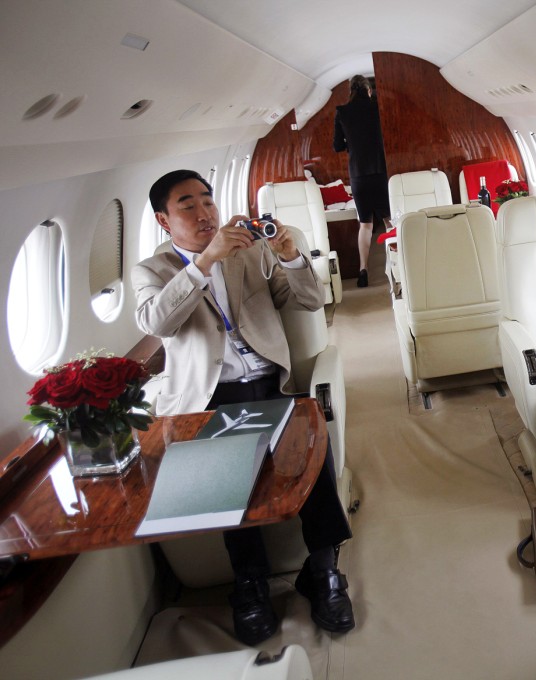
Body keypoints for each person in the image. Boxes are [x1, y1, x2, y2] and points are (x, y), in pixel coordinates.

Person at [133, 170, 355, 645]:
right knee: (223, 472)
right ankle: (250, 583)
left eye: (207, 200)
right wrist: (203, 264)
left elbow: (312, 299)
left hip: (270, 383)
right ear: (162, 220)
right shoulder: (152, 272)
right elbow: (159, 322)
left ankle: (322, 569)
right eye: (187, 205)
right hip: (208, 398)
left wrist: (291, 257)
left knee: (313, 451)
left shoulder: (249, 253)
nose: (204, 212)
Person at [334, 74, 390, 288]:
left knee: (365, 225)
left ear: (351, 92)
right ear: (368, 91)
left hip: (358, 174)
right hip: (380, 171)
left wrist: (352, 142)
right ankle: (398, 263)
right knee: (387, 221)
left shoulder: (342, 112)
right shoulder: (377, 108)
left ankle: (363, 270)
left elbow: (337, 146)